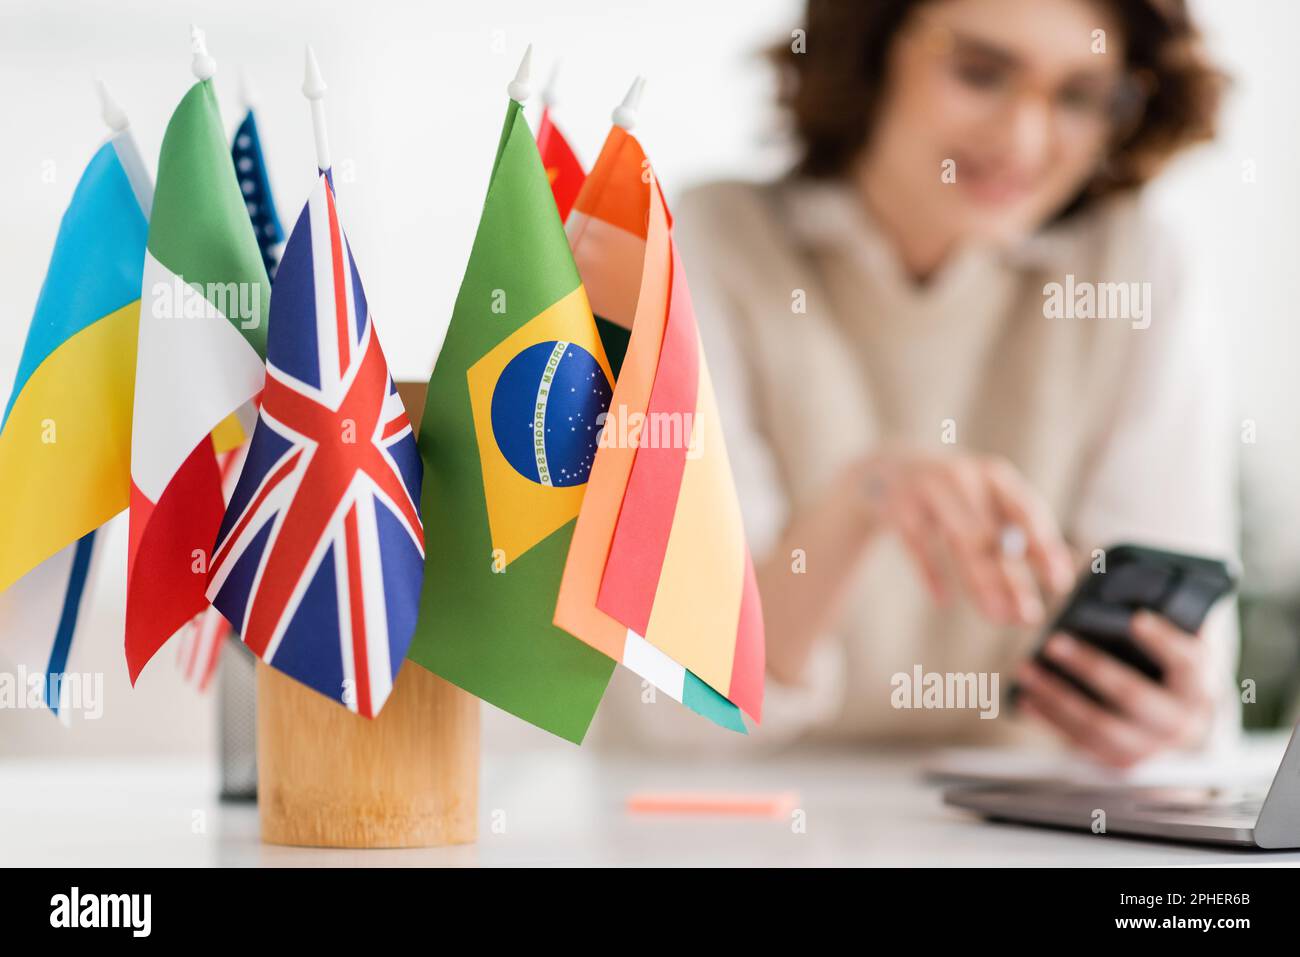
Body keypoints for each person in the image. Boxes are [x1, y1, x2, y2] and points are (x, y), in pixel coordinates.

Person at [593, 0, 1239, 766]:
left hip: (1033, 818)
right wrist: (866, 495)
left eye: (1078, 95)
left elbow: (1194, 695)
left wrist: (1168, 718)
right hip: (758, 817)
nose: (1024, 139)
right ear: (869, 55)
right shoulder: (709, 241)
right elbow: (669, 707)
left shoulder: (1133, 266)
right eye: (979, 72)